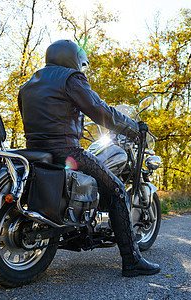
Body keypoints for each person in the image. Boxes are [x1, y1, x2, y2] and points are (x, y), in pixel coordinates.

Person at [17, 39, 160, 277]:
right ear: (71, 57)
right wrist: (133, 128)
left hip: (34, 151)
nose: (82, 64)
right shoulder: (71, 78)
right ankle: (132, 261)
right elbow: (100, 110)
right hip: (66, 151)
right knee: (116, 191)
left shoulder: (29, 84)